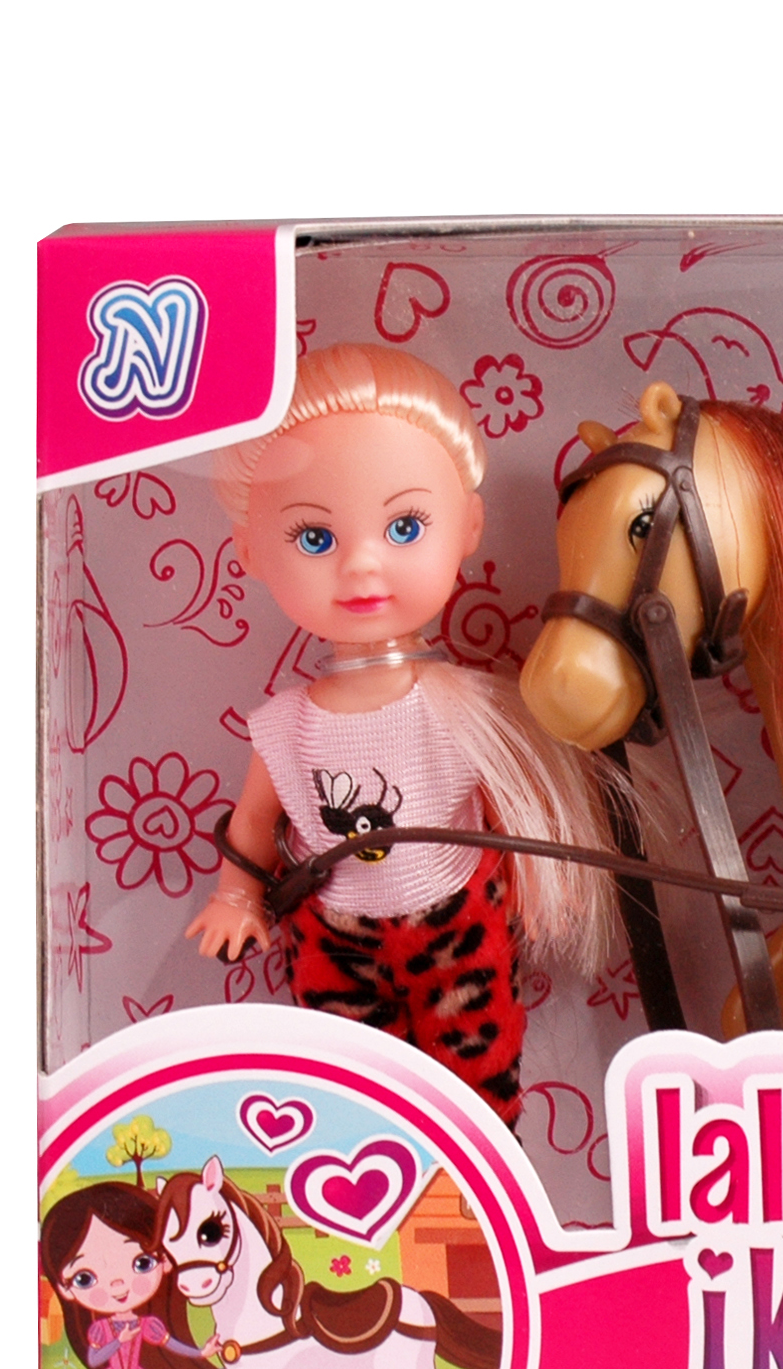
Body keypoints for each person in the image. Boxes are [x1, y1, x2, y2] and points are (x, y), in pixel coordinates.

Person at [186, 344, 620, 1126]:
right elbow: (254, 822)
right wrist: (235, 897)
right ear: (248, 550)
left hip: (459, 922)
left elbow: (512, 810)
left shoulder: (465, 704)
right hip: (333, 936)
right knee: (353, 1095)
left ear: (468, 525)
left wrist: (537, 889)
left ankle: (483, 1181)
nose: (362, 567)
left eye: (405, 526)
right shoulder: (286, 724)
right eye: (314, 539)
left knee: (477, 1086)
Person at [40, 1181, 214, 1369]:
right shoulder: (101, 1329)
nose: (118, 1284)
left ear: (165, 1261)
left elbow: (171, 1344)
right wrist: (116, 1342)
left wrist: (201, 1352)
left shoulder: (147, 1325)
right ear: (65, 1289)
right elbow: (94, 1357)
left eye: (142, 1263)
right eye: (85, 1278)